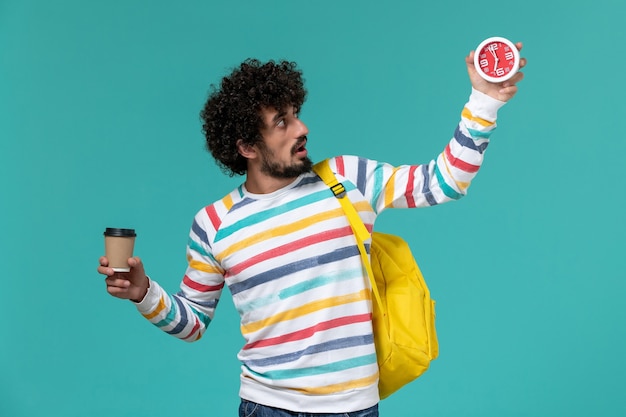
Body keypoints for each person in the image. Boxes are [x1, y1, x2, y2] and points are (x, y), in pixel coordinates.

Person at [99, 45, 526, 416]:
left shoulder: (347, 179)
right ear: (247, 147)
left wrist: (484, 102)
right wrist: (143, 292)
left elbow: (444, 182)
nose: (302, 129)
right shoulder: (213, 223)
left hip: (351, 407)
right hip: (264, 406)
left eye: (297, 114)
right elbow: (192, 323)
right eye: (281, 122)